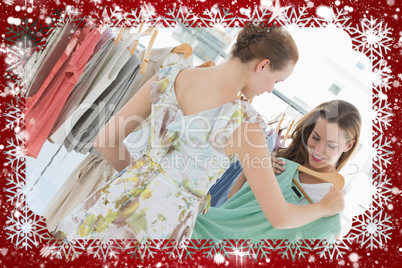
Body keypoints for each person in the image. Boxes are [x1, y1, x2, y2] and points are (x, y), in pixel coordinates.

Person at [49, 26, 344, 243]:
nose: (270, 89)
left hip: (109, 203)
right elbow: (281, 218)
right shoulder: (246, 123)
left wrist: (146, 176)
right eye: (276, 80)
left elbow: (105, 140)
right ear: (263, 65)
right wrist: (323, 207)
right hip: (157, 228)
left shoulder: (170, 76)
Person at [192, 100, 361, 242]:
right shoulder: (281, 163)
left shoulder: (329, 203)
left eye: (331, 145)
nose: (318, 149)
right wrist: (256, 167)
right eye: (315, 137)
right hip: (205, 234)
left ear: (349, 145)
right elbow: (233, 202)